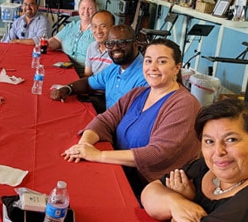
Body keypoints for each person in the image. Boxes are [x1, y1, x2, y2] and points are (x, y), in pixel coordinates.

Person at [62, 38, 200, 197]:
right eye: (148, 61)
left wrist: (98, 155)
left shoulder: (185, 105)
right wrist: (84, 144)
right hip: (120, 171)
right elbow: (105, 120)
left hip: (150, 189)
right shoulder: (139, 93)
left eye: (161, 61)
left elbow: (158, 153)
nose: (152, 67)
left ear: (177, 68)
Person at [50, 24, 148, 113]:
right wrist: (67, 89)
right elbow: (89, 83)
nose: (115, 48)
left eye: (121, 43)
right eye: (110, 44)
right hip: (107, 120)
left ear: (135, 45)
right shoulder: (116, 67)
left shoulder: (145, 77)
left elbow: (136, 118)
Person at [47, 0, 97, 74]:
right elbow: (57, 40)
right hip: (63, 68)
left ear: (96, 10)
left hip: (82, 73)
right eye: (83, 8)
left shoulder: (98, 30)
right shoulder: (71, 25)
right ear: (78, 9)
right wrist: (48, 43)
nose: (86, 11)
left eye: (90, 8)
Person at [83, 10, 115, 77]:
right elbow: (87, 75)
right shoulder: (91, 47)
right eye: (94, 26)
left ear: (112, 28)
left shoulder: (117, 51)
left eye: (103, 26)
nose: (98, 31)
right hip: (93, 85)